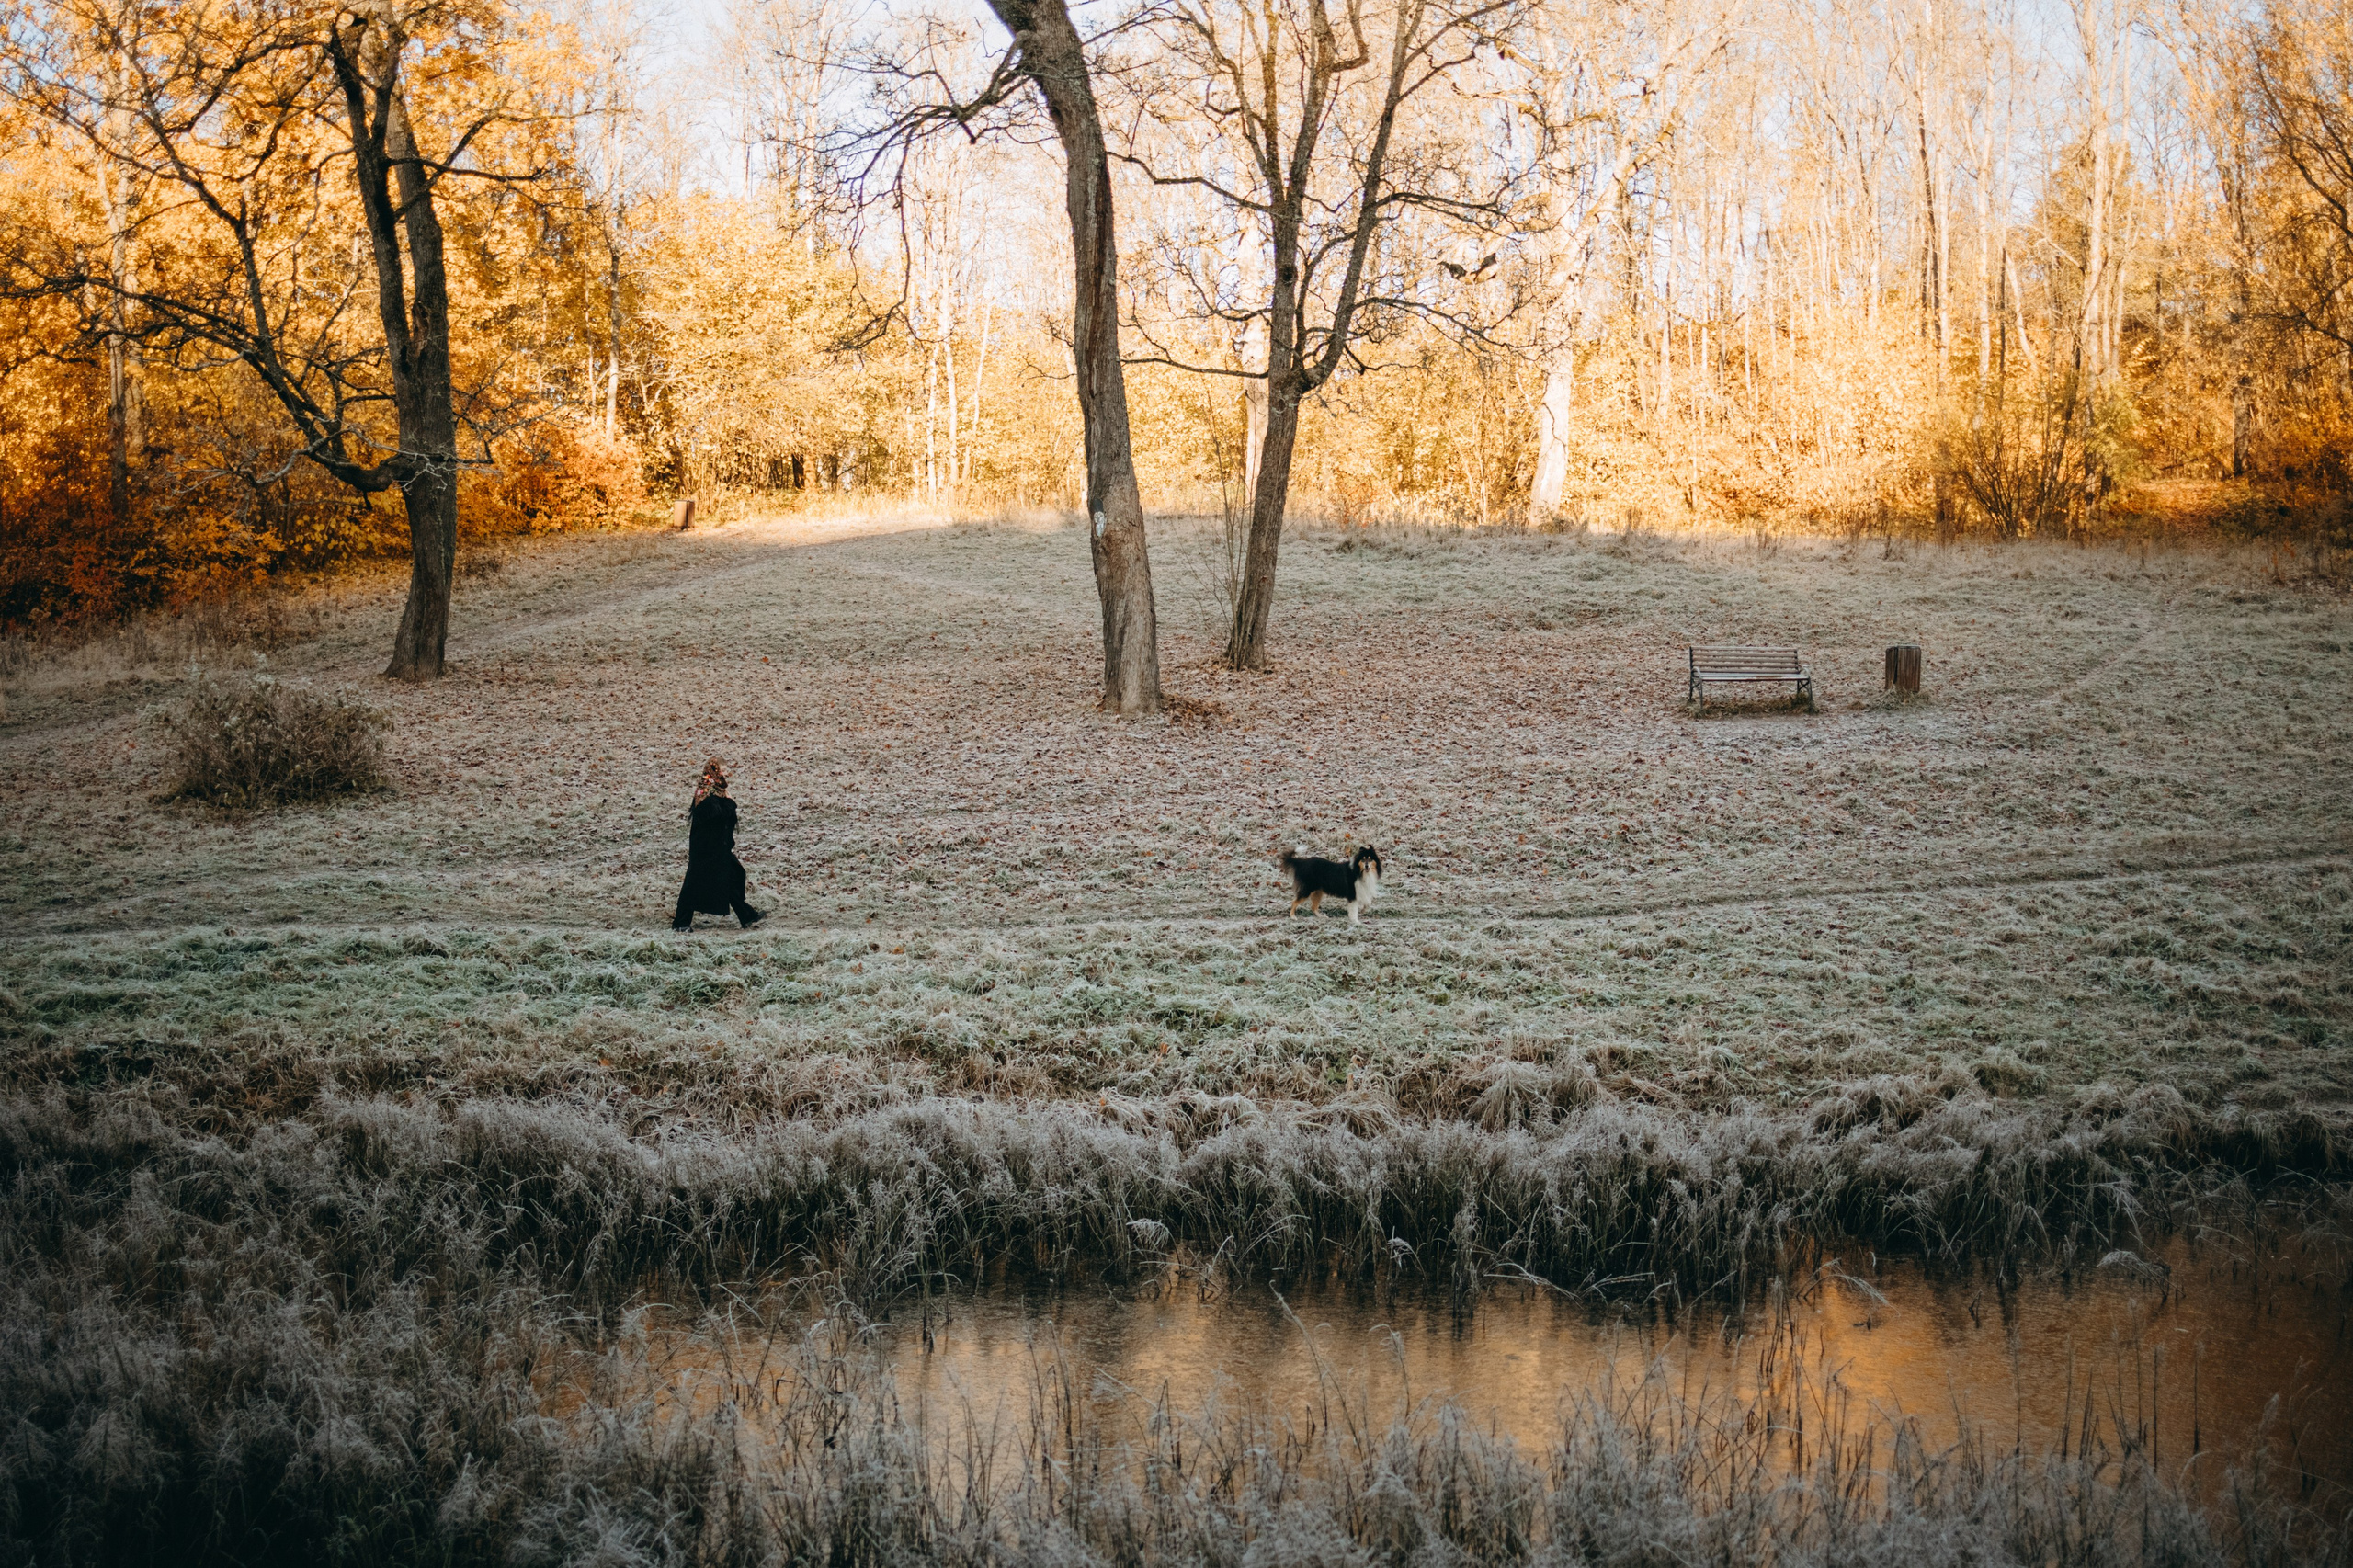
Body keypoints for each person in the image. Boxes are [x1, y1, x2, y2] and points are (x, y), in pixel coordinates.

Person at [672, 759, 767, 931]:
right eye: (722, 770)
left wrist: (728, 803)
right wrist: (730, 803)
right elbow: (718, 817)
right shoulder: (705, 792)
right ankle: (681, 923)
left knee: (731, 876)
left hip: (718, 847)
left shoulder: (718, 791)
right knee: (694, 884)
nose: (725, 772)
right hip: (706, 849)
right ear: (714, 772)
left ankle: (747, 915)